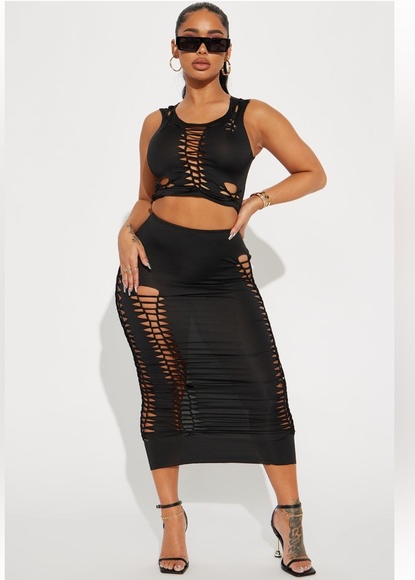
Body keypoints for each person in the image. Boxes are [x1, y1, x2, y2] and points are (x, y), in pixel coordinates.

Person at [115, 2, 327, 576]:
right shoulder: (155, 123)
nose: (202, 49)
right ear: (175, 49)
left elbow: (313, 172)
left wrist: (257, 200)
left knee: (265, 389)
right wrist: (123, 232)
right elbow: (145, 196)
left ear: (229, 50)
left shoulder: (253, 115)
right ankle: (173, 520)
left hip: (220, 271)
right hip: (153, 269)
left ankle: (289, 519)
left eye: (214, 40)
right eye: (191, 40)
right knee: (163, 389)